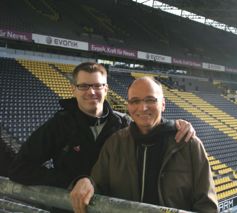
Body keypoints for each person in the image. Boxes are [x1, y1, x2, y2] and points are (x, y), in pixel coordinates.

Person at [8, 62, 195, 188]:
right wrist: (72, 181)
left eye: (98, 86)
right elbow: (20, 168)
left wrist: (176, 125)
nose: (91, 92)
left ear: (106, 89)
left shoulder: (124, 123)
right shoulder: (59, 125)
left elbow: (153, 129)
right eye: (84, 86)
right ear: (73, 89)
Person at [70, 77, 218, 213]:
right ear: (128, 106)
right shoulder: (115, 143)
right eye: (135, 101)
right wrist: (87, 182)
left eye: (150, 100)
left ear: (163, 104)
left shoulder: (188, 144)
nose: (143, 108)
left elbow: (207, 205)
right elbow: (98, 185)